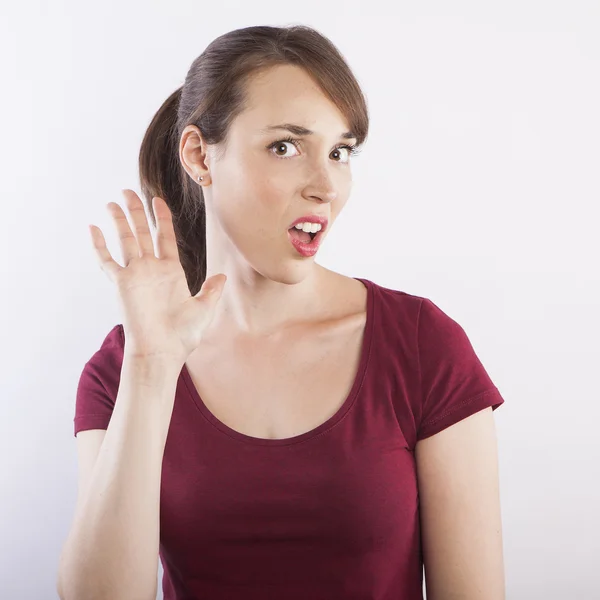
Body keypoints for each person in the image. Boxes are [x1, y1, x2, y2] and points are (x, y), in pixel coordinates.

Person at [57, 24, 506, 600]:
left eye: (340, 152)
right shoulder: (123, 369)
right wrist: (152, 367)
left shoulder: (424, 347)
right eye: (286, 147)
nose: (326, 186)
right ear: (199, 155)